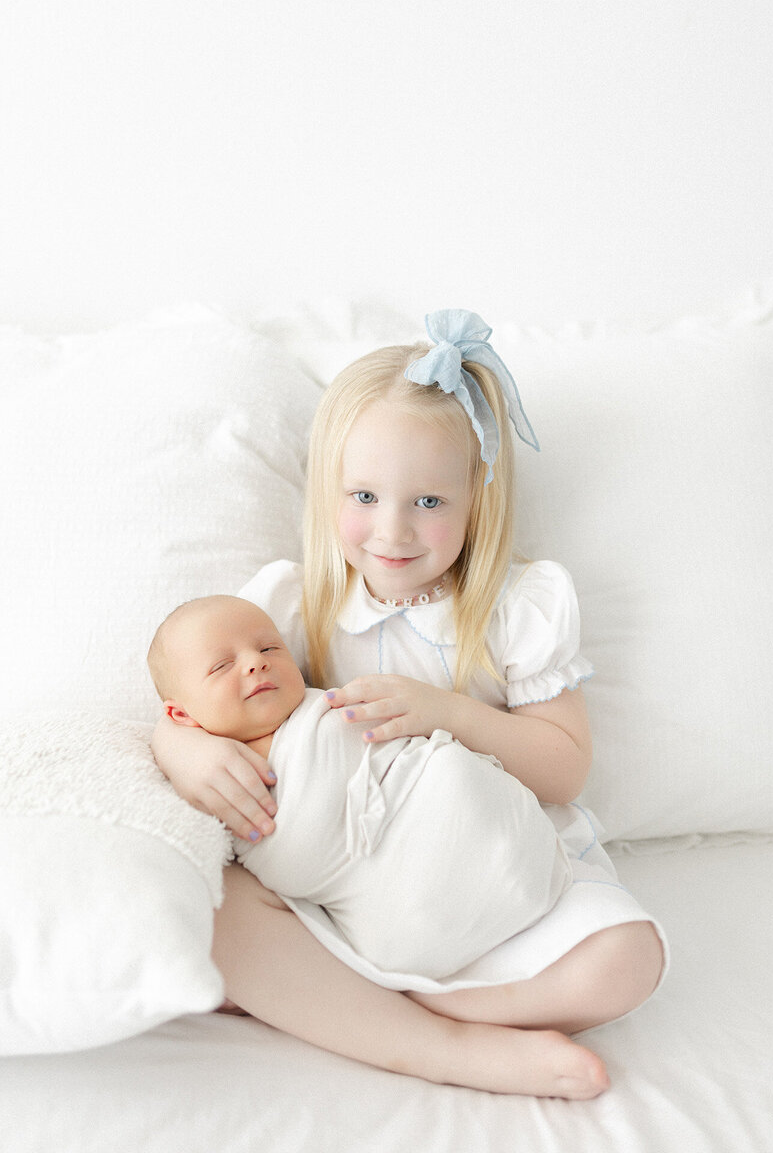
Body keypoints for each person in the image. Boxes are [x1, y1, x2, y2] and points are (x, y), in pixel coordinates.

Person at [151, 308, 666, 1100]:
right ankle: (441, 1046)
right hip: (346, 880)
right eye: (364, 495)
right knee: (213, 911)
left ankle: (379, 1006)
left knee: (631, 959)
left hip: (492, 866)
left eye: (428, 501)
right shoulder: (292, 607)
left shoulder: (517, 608)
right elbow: (188, 697)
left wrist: (447, 712)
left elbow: (564, 770)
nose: (392, 531)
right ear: (329, 492)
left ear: (477, 499)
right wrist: (181, 749)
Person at [148, 594, 573, 979]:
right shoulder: (215, 783)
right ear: (181, 715)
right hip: (403, 923)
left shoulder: (329, 709)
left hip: (495, 826)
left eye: (269, 648)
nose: (254, 663)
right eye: (222, 666)